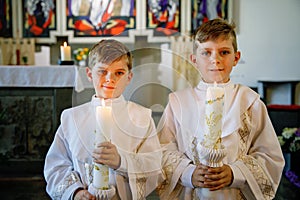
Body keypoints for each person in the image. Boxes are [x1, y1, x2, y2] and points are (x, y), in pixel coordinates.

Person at [156, 18, 285, 199]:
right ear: (194, 60)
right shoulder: (179, 102)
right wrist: (188, 173)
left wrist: (235, 173)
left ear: (236, 58)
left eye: (224, 52)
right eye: (206, 53)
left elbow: (270, 157)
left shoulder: (250, 102)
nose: (215, 59)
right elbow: (162, 151)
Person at [44, 39, 163, 199]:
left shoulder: (142, 116)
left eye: (119, 73)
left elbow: (155, 166)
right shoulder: (71, 118)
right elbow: (56, 166)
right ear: (88, 74)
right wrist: (76, 192)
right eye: (102, 71)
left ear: (129, 77)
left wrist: (121, 161)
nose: (110, 79)